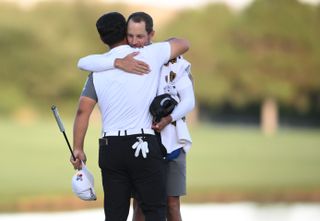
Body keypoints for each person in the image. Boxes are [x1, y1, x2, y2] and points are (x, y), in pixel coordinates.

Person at [70, 12, 189, 221]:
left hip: (110, 147)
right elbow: (183, 43)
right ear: (126, 33)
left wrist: (78, 147)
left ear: (101, 38)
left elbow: (82, 111)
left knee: (115, 215)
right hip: (142, 143)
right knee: (154, 212)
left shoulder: (97, 68)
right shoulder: (150, 54)